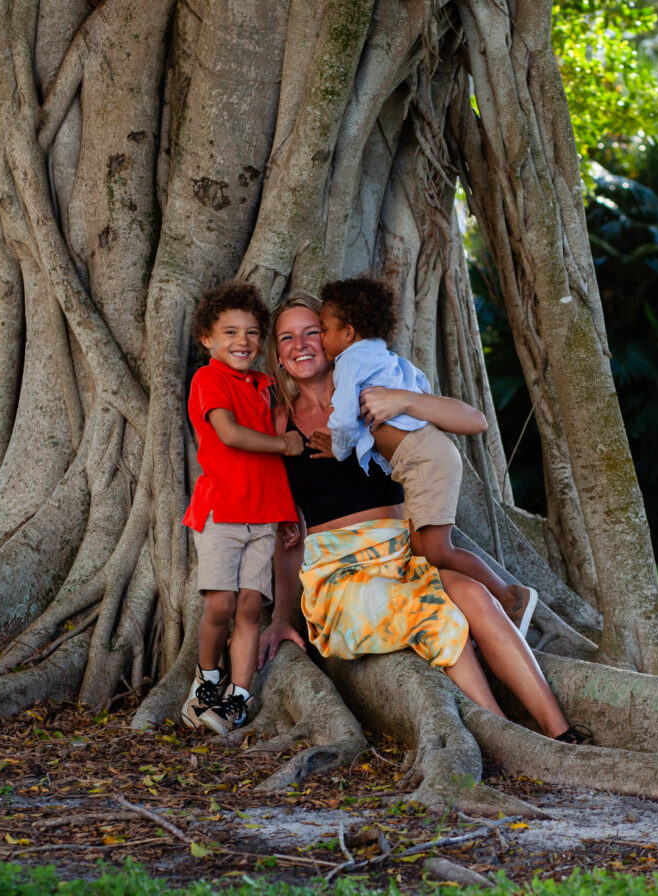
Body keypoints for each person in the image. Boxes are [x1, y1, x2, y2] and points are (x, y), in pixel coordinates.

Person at [259, 293, 592, 745]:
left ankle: (564, 733)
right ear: (277, 353)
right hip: (339, 575)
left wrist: (404, 401)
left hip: (401, 554)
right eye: (287, 337)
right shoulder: (278, 421)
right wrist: (281, 615)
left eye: (311, 332)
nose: (301, 344)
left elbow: (472, 420)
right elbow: (286, 531)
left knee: (474, 596)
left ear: (338, 337)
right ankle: (509, 737)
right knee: (433, 612)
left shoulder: (374, 388)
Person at [319, 276, 537, 636]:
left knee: (436, 551)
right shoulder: (389, 360)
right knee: (421, 549)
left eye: (324, 329)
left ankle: (511, 598)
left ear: (348, 332)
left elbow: (343, 419)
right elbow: (418, 390)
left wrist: (338, 449)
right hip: (423, 457)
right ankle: (468, 613)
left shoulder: (350, 362)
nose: (322, 338)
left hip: (423, 458)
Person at [180, 280, 303, 735]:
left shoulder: (265, 386)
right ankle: (207, 679)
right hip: (221, 514)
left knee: (251, 607)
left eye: (252, 333)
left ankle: (238, 697)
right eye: (230, 332)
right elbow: (229, 435)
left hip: (264, 516)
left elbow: (272, 470)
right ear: (207, 339)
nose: (242, 342)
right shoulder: (208, 379)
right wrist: (283, 443)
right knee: (220, 604)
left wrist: (287, 512)